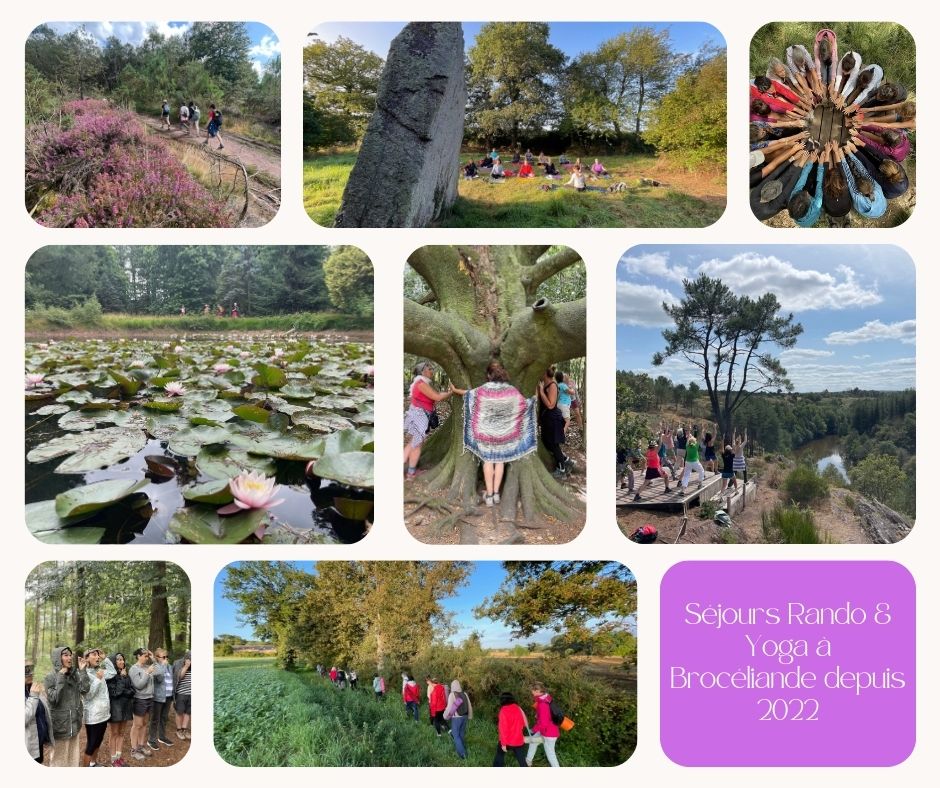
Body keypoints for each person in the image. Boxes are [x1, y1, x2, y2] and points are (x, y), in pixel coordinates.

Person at [451, 361, 535, 506]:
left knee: (488, 461)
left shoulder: (484, 389)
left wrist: (455, 390)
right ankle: (496, 494)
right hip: (505, 435)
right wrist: (534, 399)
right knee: (500, 461)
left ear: (489, 375)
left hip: (486, 434)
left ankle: (489, 496)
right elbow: (523, 405)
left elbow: (469, 395)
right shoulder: (511, 390)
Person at [403, 360, 454, 480]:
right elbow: (437, 397)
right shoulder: (421, 384)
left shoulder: (421, 383)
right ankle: (410, 474)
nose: (432, 371)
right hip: (419, 416)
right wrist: (452, 392)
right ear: (423, 371)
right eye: (429, 369)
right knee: (415, 445)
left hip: (418, 415)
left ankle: (410, 472)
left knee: (413, 444)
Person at [44, 645, 89, 766]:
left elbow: (85, 690)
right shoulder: (50, 677)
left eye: (70, 655)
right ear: (58, 658)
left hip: (74, 724)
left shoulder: (74, 674)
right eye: (66, 655)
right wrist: (60, 676)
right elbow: (54, 699)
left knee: (73, 759)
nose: (69, 658)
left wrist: (83, 671)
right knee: (59, 761)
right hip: (60, 726)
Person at [80, 648, 115, 766]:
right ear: (86, 658)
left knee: (98, 741)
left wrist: (106, 658)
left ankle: (93, 764)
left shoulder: (99, 670)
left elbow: (113, 672)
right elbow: (88, 696)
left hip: (104, 714)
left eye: (98, 655)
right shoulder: (84, 674)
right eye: (94, 655)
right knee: (91, 744)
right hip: (93, 716)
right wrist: (98, 680)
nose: (97, 657)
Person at [537, 367, 570, 476]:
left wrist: (541, 392)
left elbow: (551, 405)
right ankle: (565, 459)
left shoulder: (552, 385)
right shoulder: (543, 384)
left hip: (552, 419)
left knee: (553, 444)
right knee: (546, 442)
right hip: (546, 419)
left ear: (545, 373)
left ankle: (562, 470)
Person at [106, 652, 134, 766]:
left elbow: (132, 691)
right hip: (115, 708)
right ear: (114, 662)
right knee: (114, 733)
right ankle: (113, 760)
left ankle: (119, 757)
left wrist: (125, 690)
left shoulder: (126, 674)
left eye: (122, 659)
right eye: (118, 660)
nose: (121, 661)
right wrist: (122, 680)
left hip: (126, 707)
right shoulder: (110, 676)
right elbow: (115, 693)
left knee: (122, 733)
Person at [129, 648, 155, 761]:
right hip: (139, 699)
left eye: (147, 656)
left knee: (144, 724)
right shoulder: (134, 669)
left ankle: (141, 746)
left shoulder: (146, 667)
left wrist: (153, 658)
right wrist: (147, 673)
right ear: (138, 656)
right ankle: (134, 750)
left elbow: (159, 672)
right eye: (144, 655)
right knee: (137, 725)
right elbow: (139, 685)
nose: (146, 657)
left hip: (149, 698)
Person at [526, 682, 561, 767]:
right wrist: (539, 715)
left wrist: (533, 729)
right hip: (547, 730)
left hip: (548, 733)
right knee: (533, 741)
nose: (532, 692)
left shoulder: (542, 704)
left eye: (533, 691)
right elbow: (547, 714)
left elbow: (543, 723)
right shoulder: (547, 698)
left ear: (538, 691)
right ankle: (528, 760)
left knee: (551, 755)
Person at [25, 661, 53, 764]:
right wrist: (33, 696)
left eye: (31, 668)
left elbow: (42, 711)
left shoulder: (31, 687)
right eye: (26, 669)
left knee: (40, 761)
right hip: (28, 746)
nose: (30, 673)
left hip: (38, 742)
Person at [148, 648, 175, 752]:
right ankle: (151, 740)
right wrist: (163, 665)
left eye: (167, 657)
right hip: (158, 698)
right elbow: (159, 679)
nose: (166, 659)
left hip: (168, 697)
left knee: (164, 718)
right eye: (163, 657)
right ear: (157, 658)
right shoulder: (156, 667)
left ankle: (162, 737)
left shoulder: (169, 667)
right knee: (155, 719)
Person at [493, 691, 528, 767]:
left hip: (508, 740)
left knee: (499, 756)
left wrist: (503, 744)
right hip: (518, 739)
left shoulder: (503, 710)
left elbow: (503, 729)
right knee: (522, 761)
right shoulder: (517, 708)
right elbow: (523, 724)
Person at [443, 679, 473, 759]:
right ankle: (460, 748)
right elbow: (469, 705)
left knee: (456, 735)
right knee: (461, 733)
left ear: (452, 686)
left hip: (457, 718)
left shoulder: (452, 695)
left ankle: (463, 754)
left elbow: (449, 708)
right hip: (465, 716)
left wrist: (445, 716)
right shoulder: (465, 694)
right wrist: (470, 716)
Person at [172, 650, 192, 741]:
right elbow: (179, 677)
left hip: (191, 693)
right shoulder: (180, 664)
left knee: (188, 712)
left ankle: (184, 729)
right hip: (181, 693)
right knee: (179, 712)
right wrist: (186, 666)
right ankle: (179, 730)